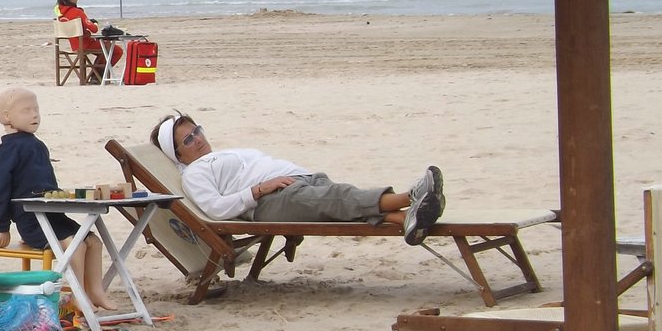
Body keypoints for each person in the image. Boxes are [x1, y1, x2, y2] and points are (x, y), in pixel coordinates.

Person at [151, 113, 445, 245]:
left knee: (343, 203)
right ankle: (412, 196)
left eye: (197, 131)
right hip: (272, 201)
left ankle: (404, 219)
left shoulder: (214, 157)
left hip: (297, 181)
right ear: (177, 154)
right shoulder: (194, 175)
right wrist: (258, 189)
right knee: (341, 198)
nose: (198, 140)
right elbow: (215, 209)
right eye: (188, 140)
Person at [0, 88, 113, 315]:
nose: (34, 115)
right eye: (26, 111)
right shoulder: (4, 152)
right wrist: (2, 226)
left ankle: (96, 290)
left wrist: (59, 195)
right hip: (31, 221)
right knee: (75, 246)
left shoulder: (38, 145)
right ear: (7, 117)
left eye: (36, 109)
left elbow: (47, 183)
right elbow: (0, 191)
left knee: (93, 241)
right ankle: (78, 295)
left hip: (53, 214)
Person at [55, 0, 120, 82]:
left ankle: (96, 75)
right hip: (85, 44)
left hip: (74, 45)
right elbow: (94, 29)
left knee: (105, 50)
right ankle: (97, 75)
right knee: (115, 50)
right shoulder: (78, 12)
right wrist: (94, 23)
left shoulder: (60, 15)